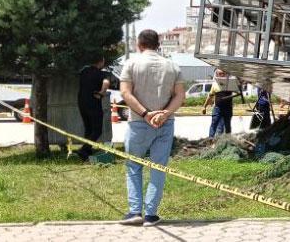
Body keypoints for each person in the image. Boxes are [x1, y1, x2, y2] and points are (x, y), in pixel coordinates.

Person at [119, 29, 185, 227]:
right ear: (158, 45)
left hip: (139, 123)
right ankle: (151, 215)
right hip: (165, 123)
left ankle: (134, 211)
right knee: (158, 168)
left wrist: (146, 114)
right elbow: (180, 95)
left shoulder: (131, 64)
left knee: (133, 166)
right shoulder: (173, 66)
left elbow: (125, 93)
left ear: (139, 45)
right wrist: (164, 113)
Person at [75, 56, 110, 161]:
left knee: (88, 128)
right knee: (97, 130)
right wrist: (102, 93)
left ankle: (87, 152)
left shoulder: (84, 71)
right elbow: (106, 82)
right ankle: (84, 149)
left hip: (82, 103)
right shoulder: (100, 73)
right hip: (94, 103)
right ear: (101, 61)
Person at [201, 69, 235, 137]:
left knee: (225, 127)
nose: (222, 75)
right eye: (220, 73)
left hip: (228, 109)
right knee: (214, 124)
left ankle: (224, 143)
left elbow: (239, 87)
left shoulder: (231, 83)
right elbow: (210, 96)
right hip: (217, 109)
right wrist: (204, 106)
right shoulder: (215, 84)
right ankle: (210, 140)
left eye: (223, 73)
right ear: (217, 74)